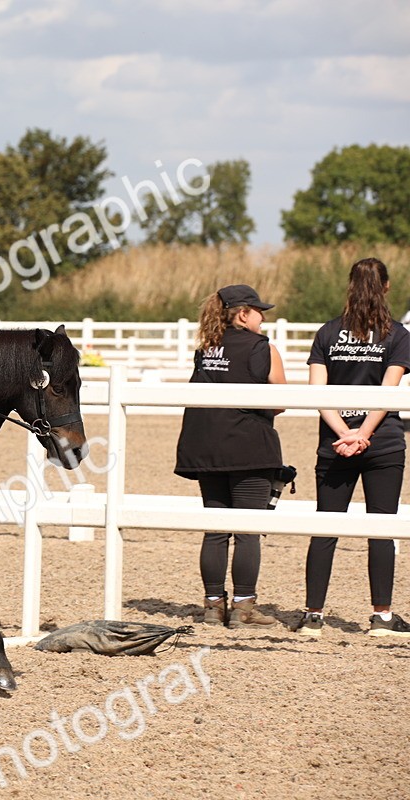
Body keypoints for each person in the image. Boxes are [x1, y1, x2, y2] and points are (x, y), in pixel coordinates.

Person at [293, 258, 410, 638]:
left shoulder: (327, 333)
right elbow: (387, 393)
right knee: (382, 528)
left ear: (349, 287)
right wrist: (363, 434)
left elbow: (318, 392)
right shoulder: (398, 335)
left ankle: (313, 615)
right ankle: (382, 617)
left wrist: (345, 432)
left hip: (334, 442)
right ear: (387, 288)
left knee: (325, 527)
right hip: (383, 442)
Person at [175, 285, 286, 628]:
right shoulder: (262, 347)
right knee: (248, 530)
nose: (263, 317)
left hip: (208, 449)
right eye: (258, 311)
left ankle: (212, 606)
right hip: (248, 448)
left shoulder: (204, 349)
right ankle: (242, 608)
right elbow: (280, 401)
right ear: (242, 314)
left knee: (216, 530)